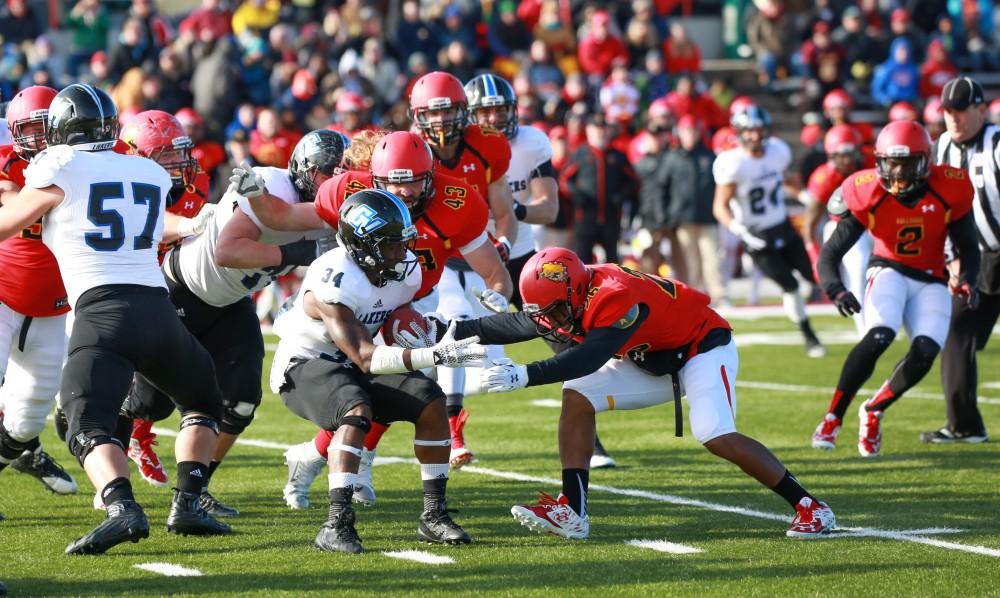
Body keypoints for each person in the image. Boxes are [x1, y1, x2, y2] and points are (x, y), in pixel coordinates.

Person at [397, 247, 835, 540]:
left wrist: (525, 375)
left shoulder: (617, 298)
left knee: (715, 432)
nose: (550, 320)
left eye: (555, 310)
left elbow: (590, 356)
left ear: (574, 292)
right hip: (651, 358)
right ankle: (573, 509)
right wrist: (449, 328)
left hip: (702, 350)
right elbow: (523, 324)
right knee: (578, 397)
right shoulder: (570, 291)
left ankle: (811, 507)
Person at [0, 83, 231, 554]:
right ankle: (187, 502)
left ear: (60, 129)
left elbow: (12, 220)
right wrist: (189, 225)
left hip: (101, 313)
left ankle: (122, 507)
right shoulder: (145, 171)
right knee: (203, 400)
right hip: (158, 311)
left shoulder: (58, 164)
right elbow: (141, 220)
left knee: (85, 422)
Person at [235, 130, 508, 507]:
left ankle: (318, 457)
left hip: (407, 297)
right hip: (356, 300)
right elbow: (283, 217)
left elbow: (495, 273)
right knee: (368, 386)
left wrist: (498, 295)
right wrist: (254, 197)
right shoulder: (350, 195)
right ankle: (346, 469)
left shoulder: (452, 209)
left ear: (430, 175)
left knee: (410, 390)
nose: (406, 193)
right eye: (395, 184)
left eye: (414, 181)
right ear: (376, 180)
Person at [120, 128, 344, 516]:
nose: (334, 185)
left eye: (341, 176)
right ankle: (114, 483)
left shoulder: (324, 212)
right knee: (148, 402)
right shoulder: (272, 184)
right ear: (306, 171)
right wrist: (303, 250)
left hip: (231, 302)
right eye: (328, 174)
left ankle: (196, 487)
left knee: (240, 402)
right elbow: (228, 251)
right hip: (182, 290)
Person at [262, 187, 485, 553]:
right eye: (391, 244)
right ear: (361, 245)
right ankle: (336, 523)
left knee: (429, 399)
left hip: (352, 362)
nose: (402, 252)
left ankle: (434, 515)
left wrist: (419, 333)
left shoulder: (404, 271)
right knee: (356, 409)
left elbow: (392, 323)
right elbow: (366, 357)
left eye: (403, 242)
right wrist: (434, 356)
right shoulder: (334, 276)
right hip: (305, 364)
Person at [812, 120, 980, 457]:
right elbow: (830, 253)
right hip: (888, 270)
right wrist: (836, 289)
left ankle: (873, 409)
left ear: (925, 161)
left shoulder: (949, 188)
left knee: (926, 351)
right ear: (879, 161)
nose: (898, 171)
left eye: (906, 163)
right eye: (891, 162)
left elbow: (968, 246)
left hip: (932, 277)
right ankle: (832, 418)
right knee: (879, 335)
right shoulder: (867, 191)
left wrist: (967, 279)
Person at [409, 71, 518, 468]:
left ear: (462, 111)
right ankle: (453, 429)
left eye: (446, 111)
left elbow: (504, 210)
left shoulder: (487, 147)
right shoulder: (413, 150)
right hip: (432, 256)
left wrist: (502, 243)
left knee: (491, 359)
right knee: (455, 328)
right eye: (430, 113)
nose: (439, 121)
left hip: (476, 252)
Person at [0, 86, 79, 496]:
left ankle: (21, 451)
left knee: (28, 417)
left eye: (50, 128)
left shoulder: (82, 164)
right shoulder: (5, 162)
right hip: (3, 288)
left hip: (54, 304)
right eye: (33, 129)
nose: (43, 138)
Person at [712, 105, 826, 358]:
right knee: (791, 285)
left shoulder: (777, 151)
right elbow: (719, 206)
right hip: (756, 235)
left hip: (781, 225)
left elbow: (784, 180)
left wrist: (805, 196)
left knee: (814, 274)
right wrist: (738, 228)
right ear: (740, 133)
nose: (755, 136)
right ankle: (808, 334)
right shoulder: (733, 163)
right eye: (750, 131)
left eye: (759, 130)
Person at [923, 76, 1000, 444]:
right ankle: (965, 424)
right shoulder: (940, 149)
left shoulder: (998, 144)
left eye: (961, 111)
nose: (954, 118)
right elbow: (937, 211)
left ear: (981, 109)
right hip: (973, 257)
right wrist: (951, 260)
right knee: (956, 334)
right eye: (948, 111)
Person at [802, 125, 871, 339]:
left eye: (853, 153)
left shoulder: (871, 163)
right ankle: (864, 326)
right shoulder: (824, 178)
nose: (850, 160)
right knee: (858, 270)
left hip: (877, 223)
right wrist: (816, 258)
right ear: (832, 154)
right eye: (844, 155)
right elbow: (809, 225)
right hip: (844, 227)